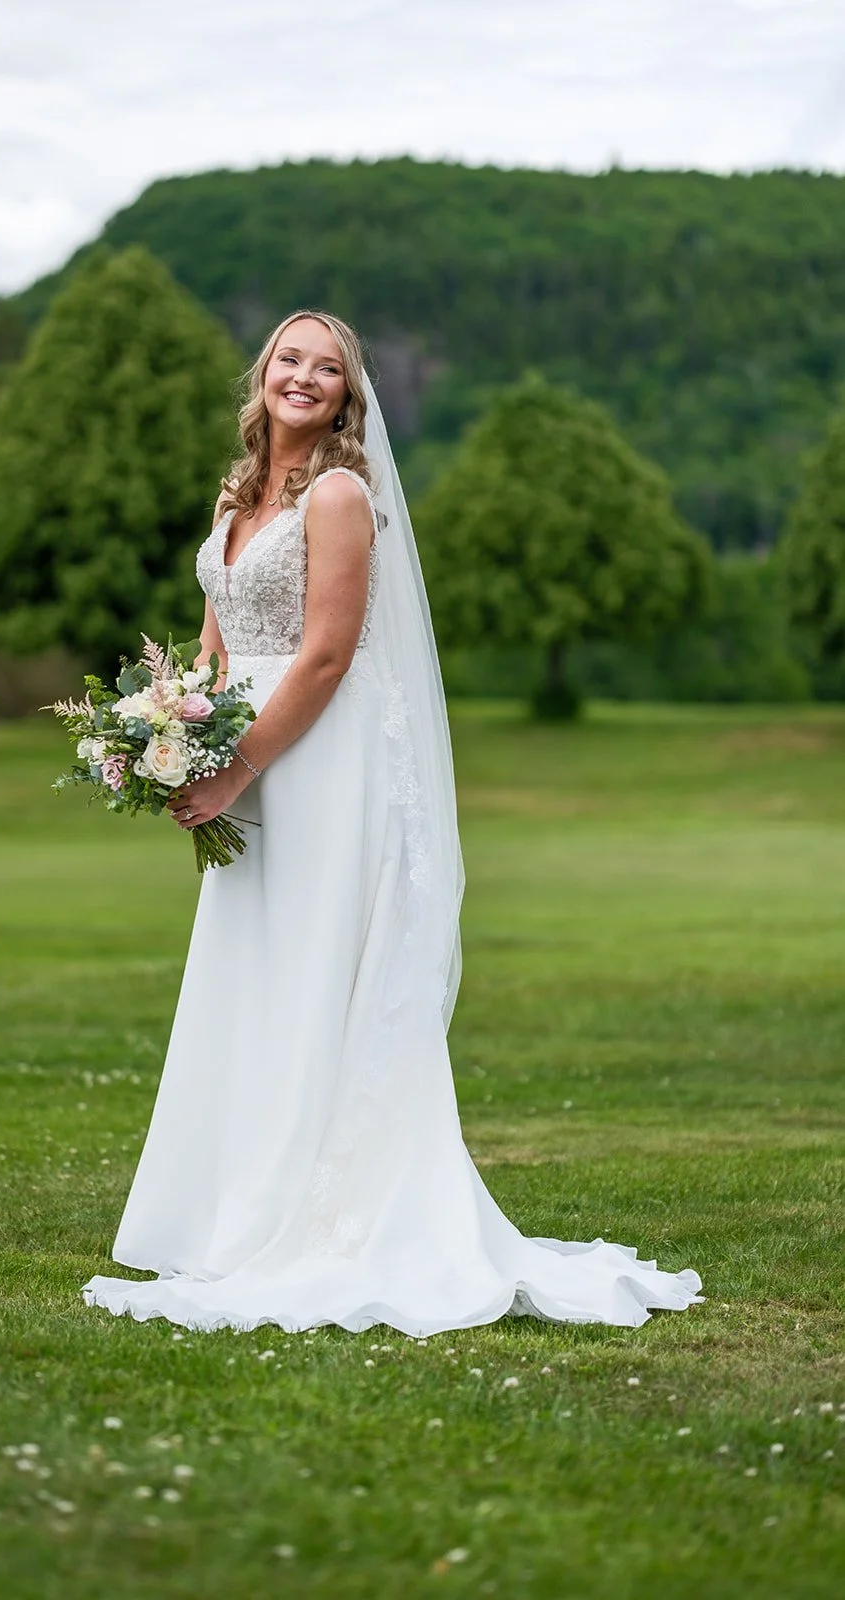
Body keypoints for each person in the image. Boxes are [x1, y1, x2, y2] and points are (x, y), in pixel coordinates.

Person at [81, 310, 703, 1335]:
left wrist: (232, 767)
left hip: (321, 763)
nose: (303, 377)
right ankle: (239, 1213)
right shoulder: (238, 495)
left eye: (327, 368)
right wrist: (157, 735)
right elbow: (217, 642)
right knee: (260, 974)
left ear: (345, 394)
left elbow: (325, 654)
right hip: (256, 758)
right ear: (263, 374)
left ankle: (332, 1218)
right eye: (289, 358)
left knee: (323, 973)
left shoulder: (337, 494)